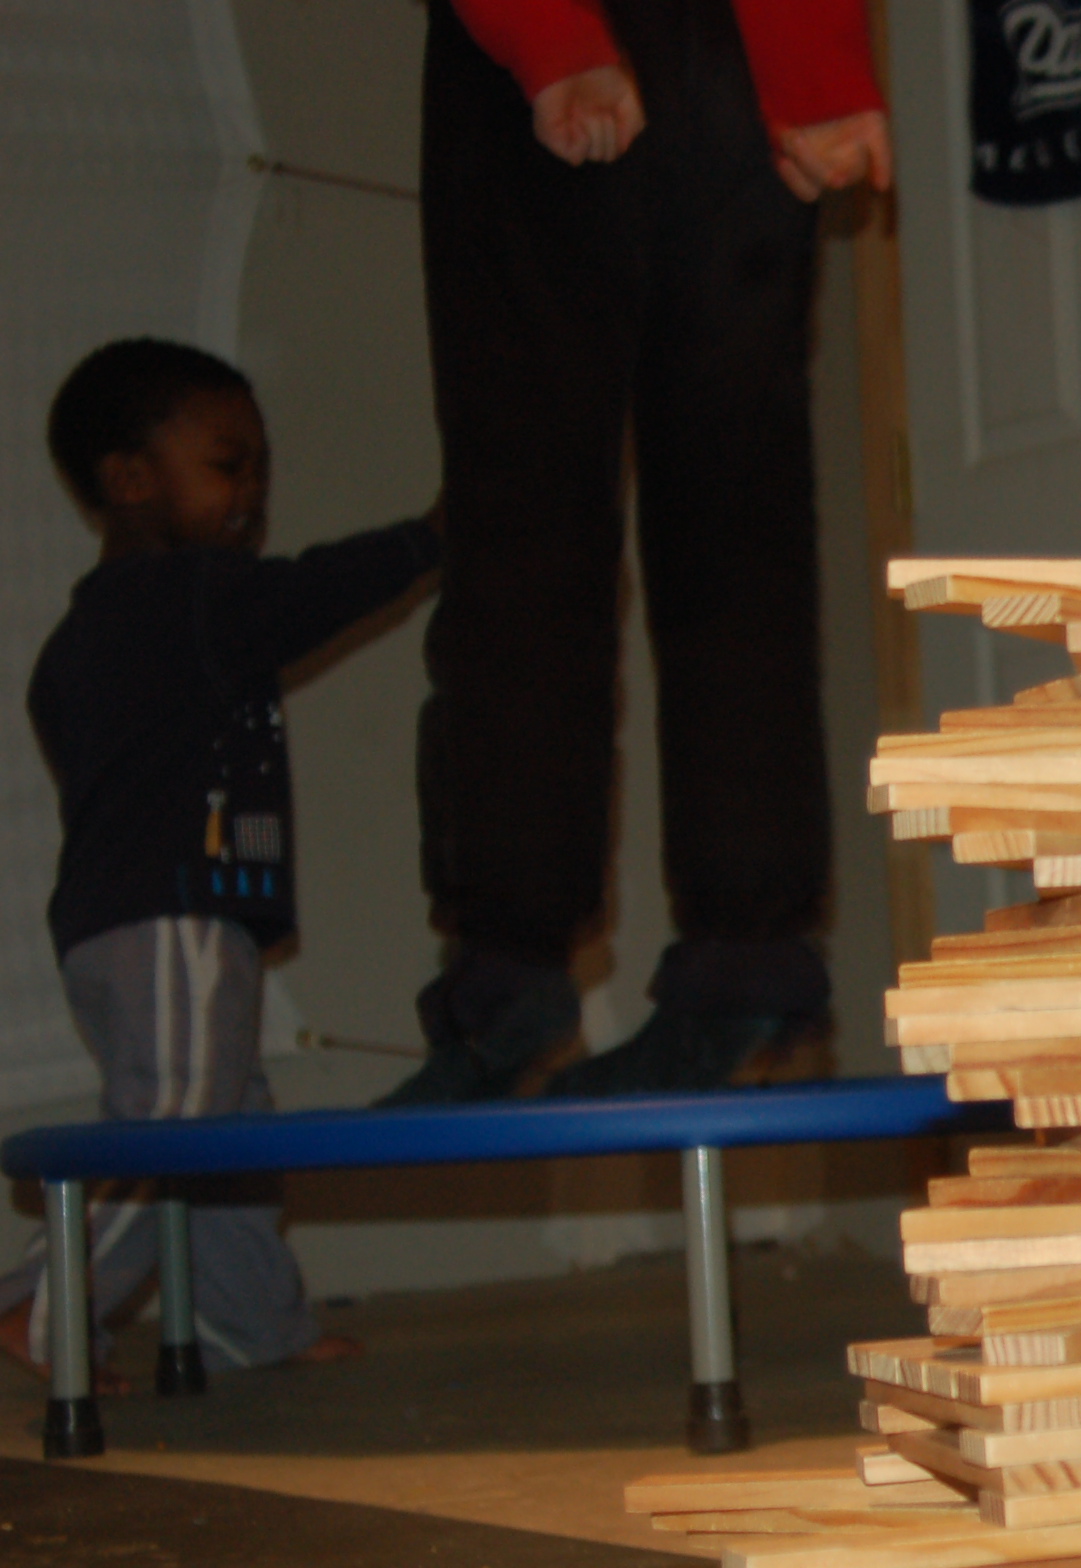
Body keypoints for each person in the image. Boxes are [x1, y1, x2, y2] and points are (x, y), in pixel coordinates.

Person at [385, 0, 890, 1103]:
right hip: (740, 59)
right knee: (740, 517)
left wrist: (549, 36)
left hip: (583, 41)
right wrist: (817, 71)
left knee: (527, 516)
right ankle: (746, 961)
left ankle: (508, 981)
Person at [1, 339, 441, 1389]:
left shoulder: (81, 640)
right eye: (227, 465)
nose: (251, 494)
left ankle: (254, 1326)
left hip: (133, 923)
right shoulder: (186, 595)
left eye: (260, 471)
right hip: (170, 918)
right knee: (183, 1124)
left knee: (230, 1128)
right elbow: (309, 593)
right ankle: (46, 1306)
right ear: (129, 479)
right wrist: (430, 538)